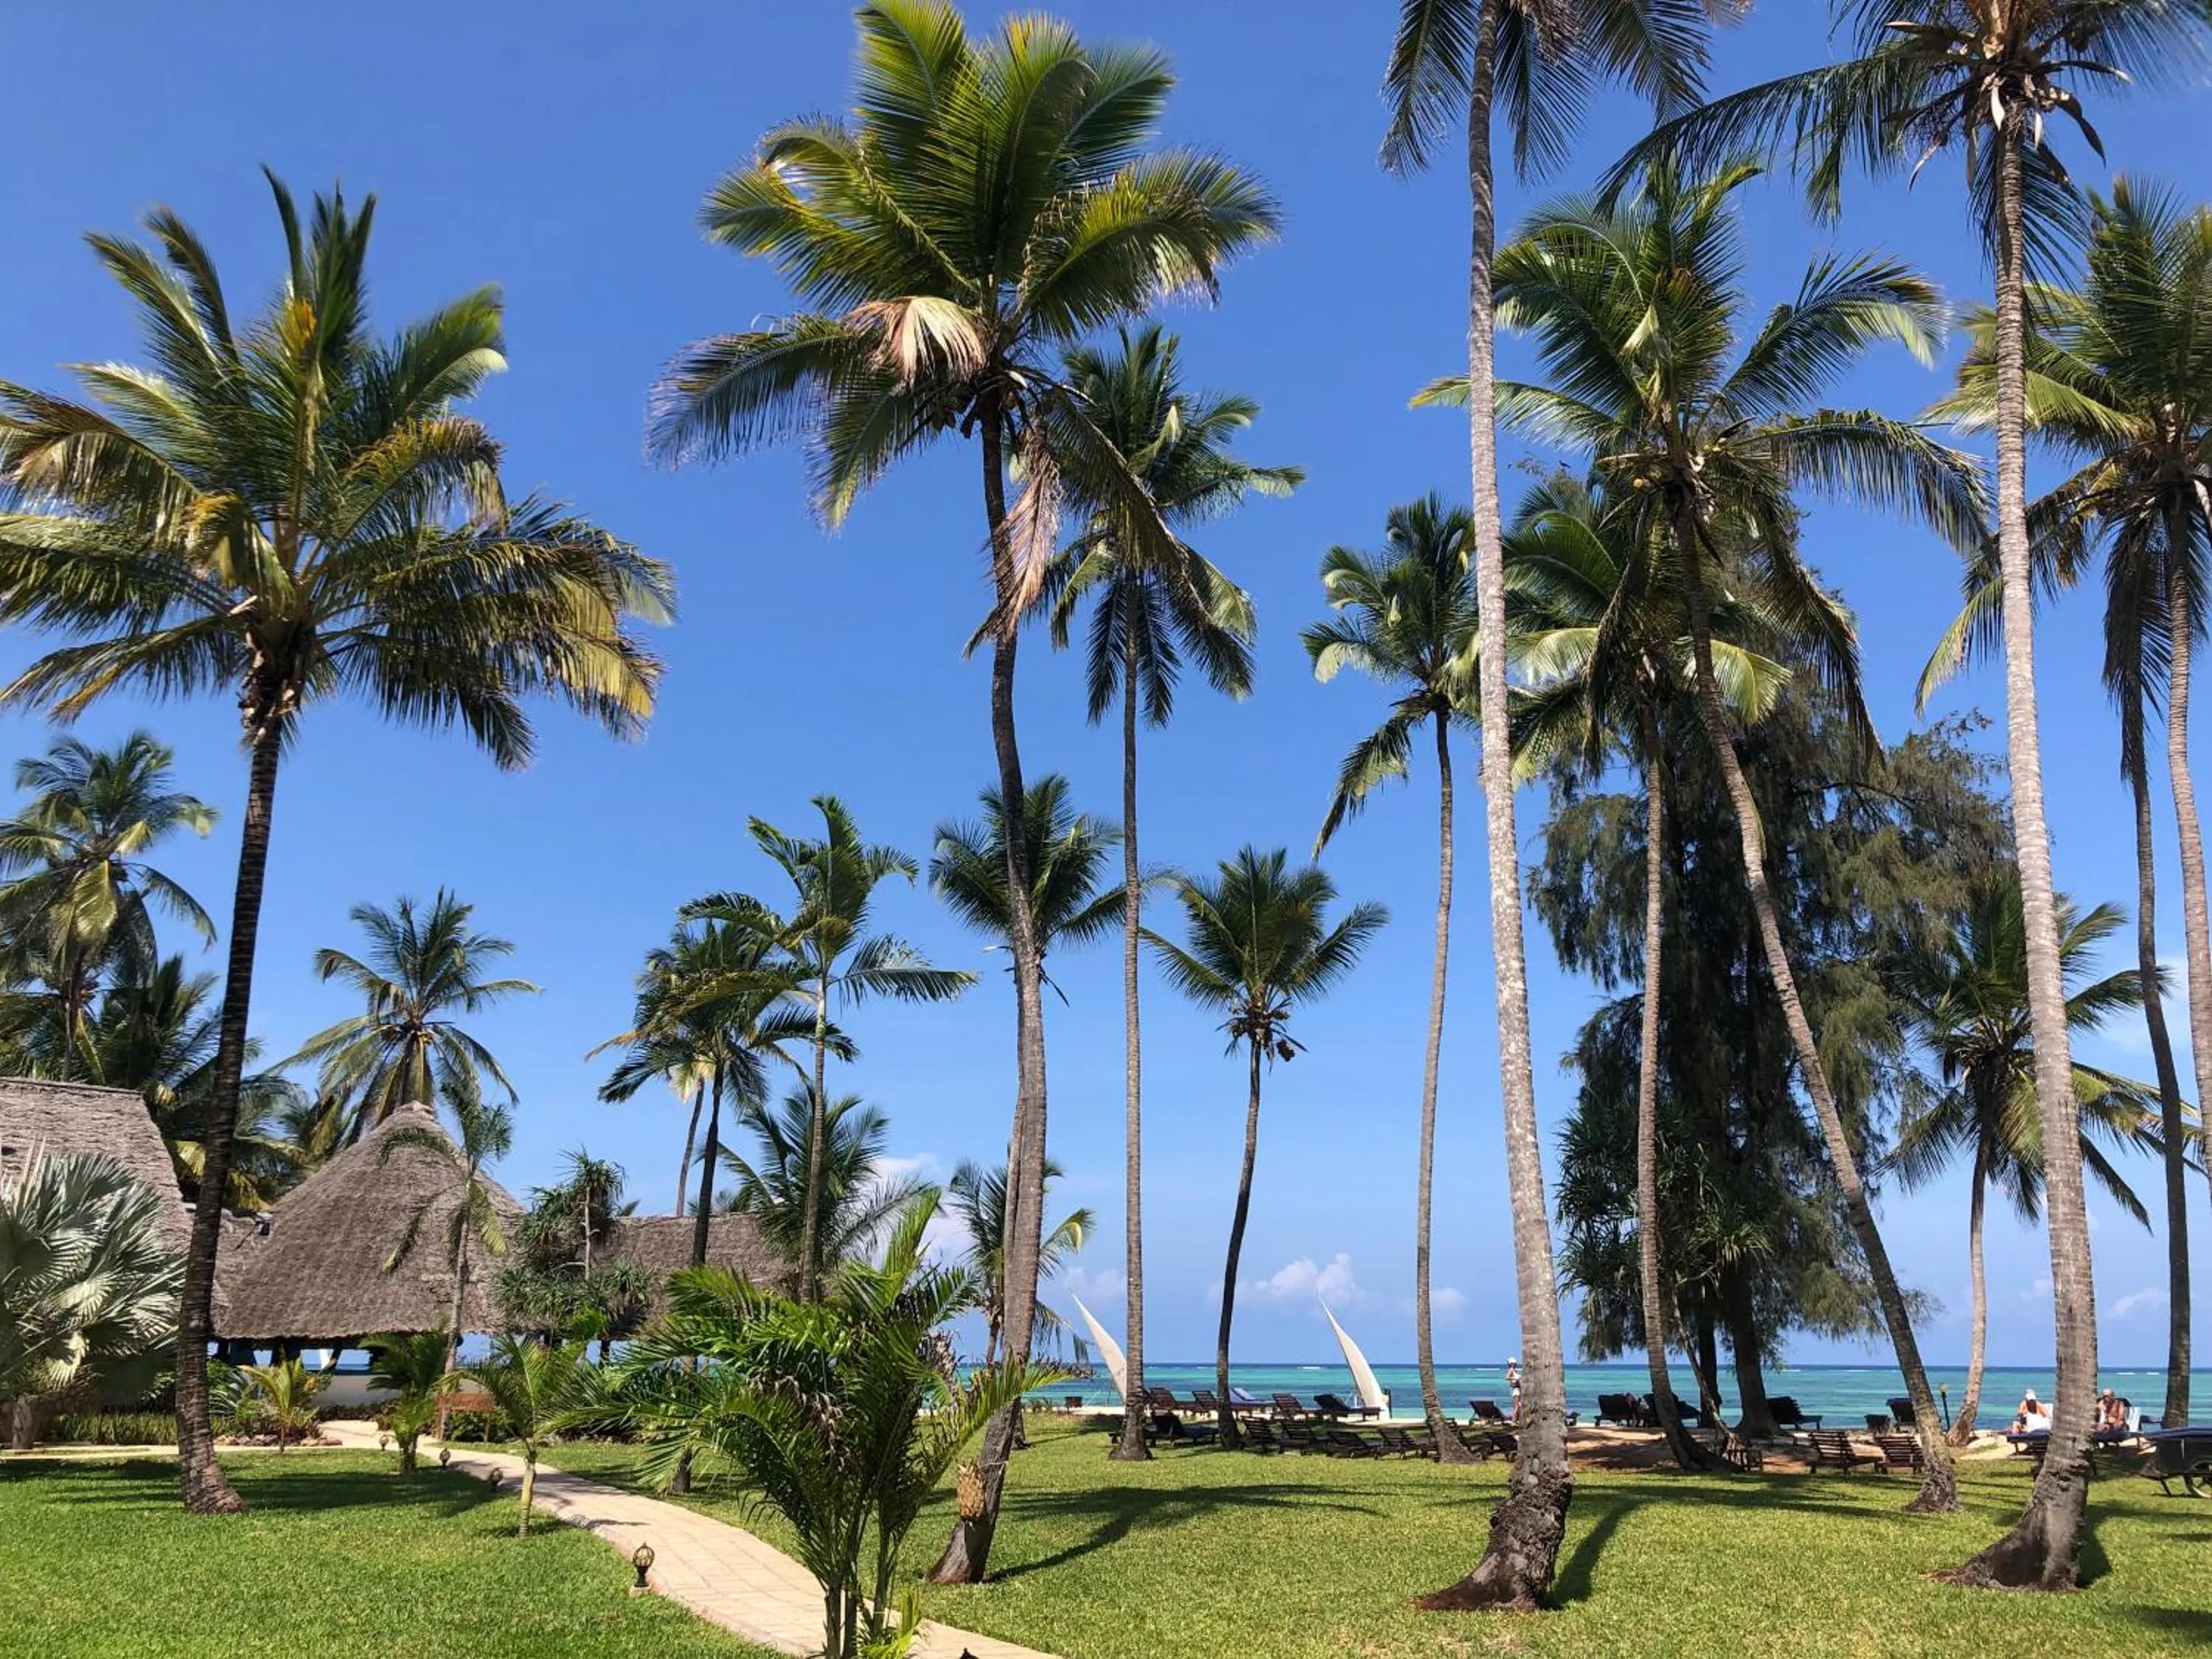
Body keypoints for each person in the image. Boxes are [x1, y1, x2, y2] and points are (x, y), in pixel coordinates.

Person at [1505, 1357, 1523, 1422]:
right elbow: (1506, 1377)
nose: (1515, 1365)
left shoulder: (1514, 1370)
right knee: (1517, 1406)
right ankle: (1513, 1421)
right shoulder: (1511, 1370)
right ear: (1511, 1364)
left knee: (1518, 1405)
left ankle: (1517, 1419)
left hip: (1518, 1389)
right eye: (1514, 1364)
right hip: (1516, 1389)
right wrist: (1516, 1379)